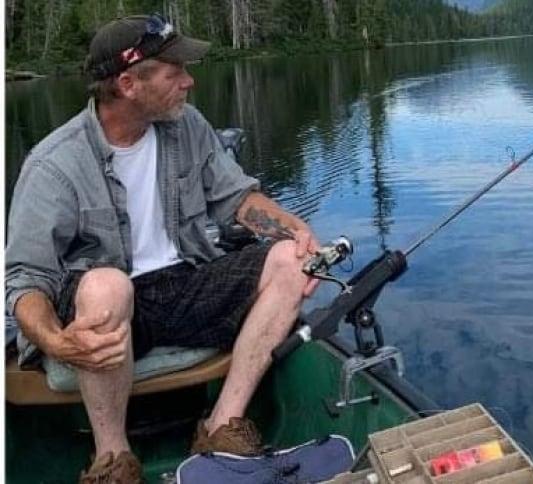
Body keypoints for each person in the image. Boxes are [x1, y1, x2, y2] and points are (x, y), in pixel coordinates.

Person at [5, 14, 320, 484]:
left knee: (292, 261)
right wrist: (54, 341)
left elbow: (235, 198)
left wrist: (294, 230)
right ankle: (112, 459)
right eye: (175, 74)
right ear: (129, 84)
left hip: (181, 285)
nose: (189, 82)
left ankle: (221, 429)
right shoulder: (55, 164)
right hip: (105, 307)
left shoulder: (186, 125)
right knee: (106, 287)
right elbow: (26, 278)